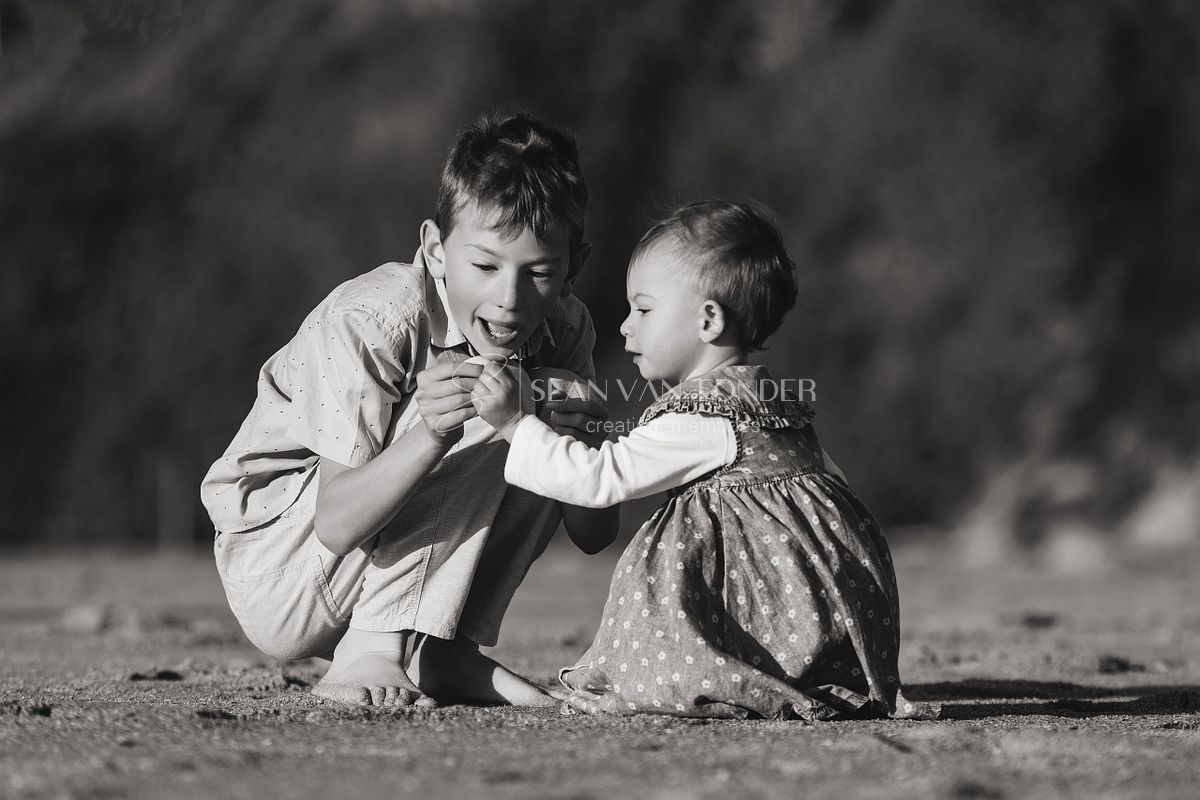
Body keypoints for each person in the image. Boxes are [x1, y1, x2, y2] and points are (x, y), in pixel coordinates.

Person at [199, 112, 619, 708]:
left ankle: (443, 652)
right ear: (435, 250)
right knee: (495, 399)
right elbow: (336, 523)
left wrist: (586, 442)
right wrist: (434, 434)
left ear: (574, 268)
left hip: (369, 571)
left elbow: (594, 536)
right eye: (485, 266)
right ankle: (373, 650)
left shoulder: (567, 329)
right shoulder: (373, 319)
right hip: (284, 566)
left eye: (540, 272)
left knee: (522, 410)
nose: (509, 298)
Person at [473, 199, 938, 720]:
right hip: (814, 618)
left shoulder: (700, 415)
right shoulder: (773, 403)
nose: (625, 327)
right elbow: (834, 491)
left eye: (644, 310)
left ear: (709, 320)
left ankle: (719, 672)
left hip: (756, 622)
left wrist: (514, 424)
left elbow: (599, 480)